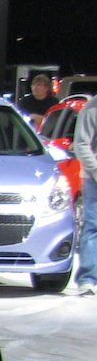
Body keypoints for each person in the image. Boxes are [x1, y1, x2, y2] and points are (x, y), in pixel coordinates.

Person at [70, 94, 97, 295]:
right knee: (93, 226)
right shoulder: (92, 108)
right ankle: (87, 279)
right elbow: (81, 145)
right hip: (94, 180)